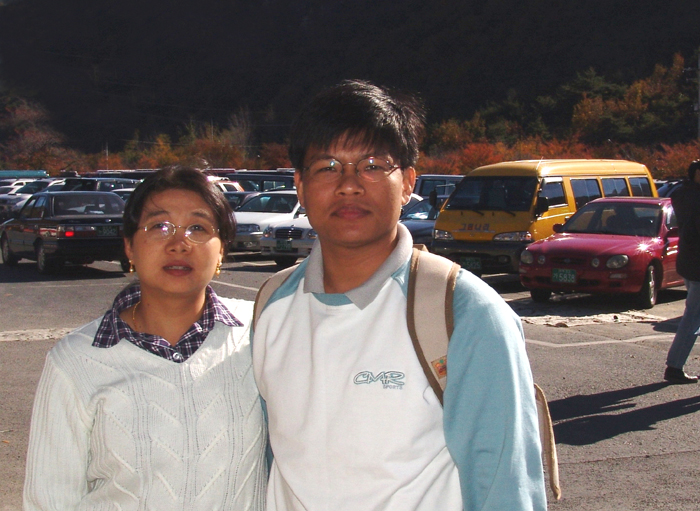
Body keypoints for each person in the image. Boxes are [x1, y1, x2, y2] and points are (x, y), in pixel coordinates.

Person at [252, 80, 546, 510]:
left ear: (408, 182)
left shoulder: (462, 312)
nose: (349, 185)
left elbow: (506, 486)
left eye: (372, 165)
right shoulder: (271, 305)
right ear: (299, 184)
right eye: (328, 166)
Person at [23, 167, 267, 510]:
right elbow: (48, 499)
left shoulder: (262, 332)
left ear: (222, 250)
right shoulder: (76, 360)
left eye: (198, 227)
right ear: (129, 247)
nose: (179, 243)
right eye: (159, 226)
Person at [664, 159, 700, 384]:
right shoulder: (695, 199)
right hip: (697, 265)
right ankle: (674, 366)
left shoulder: (683, 194)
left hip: (688, 262)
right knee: (692, 318)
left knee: (693, 315)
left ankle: (675, 365)